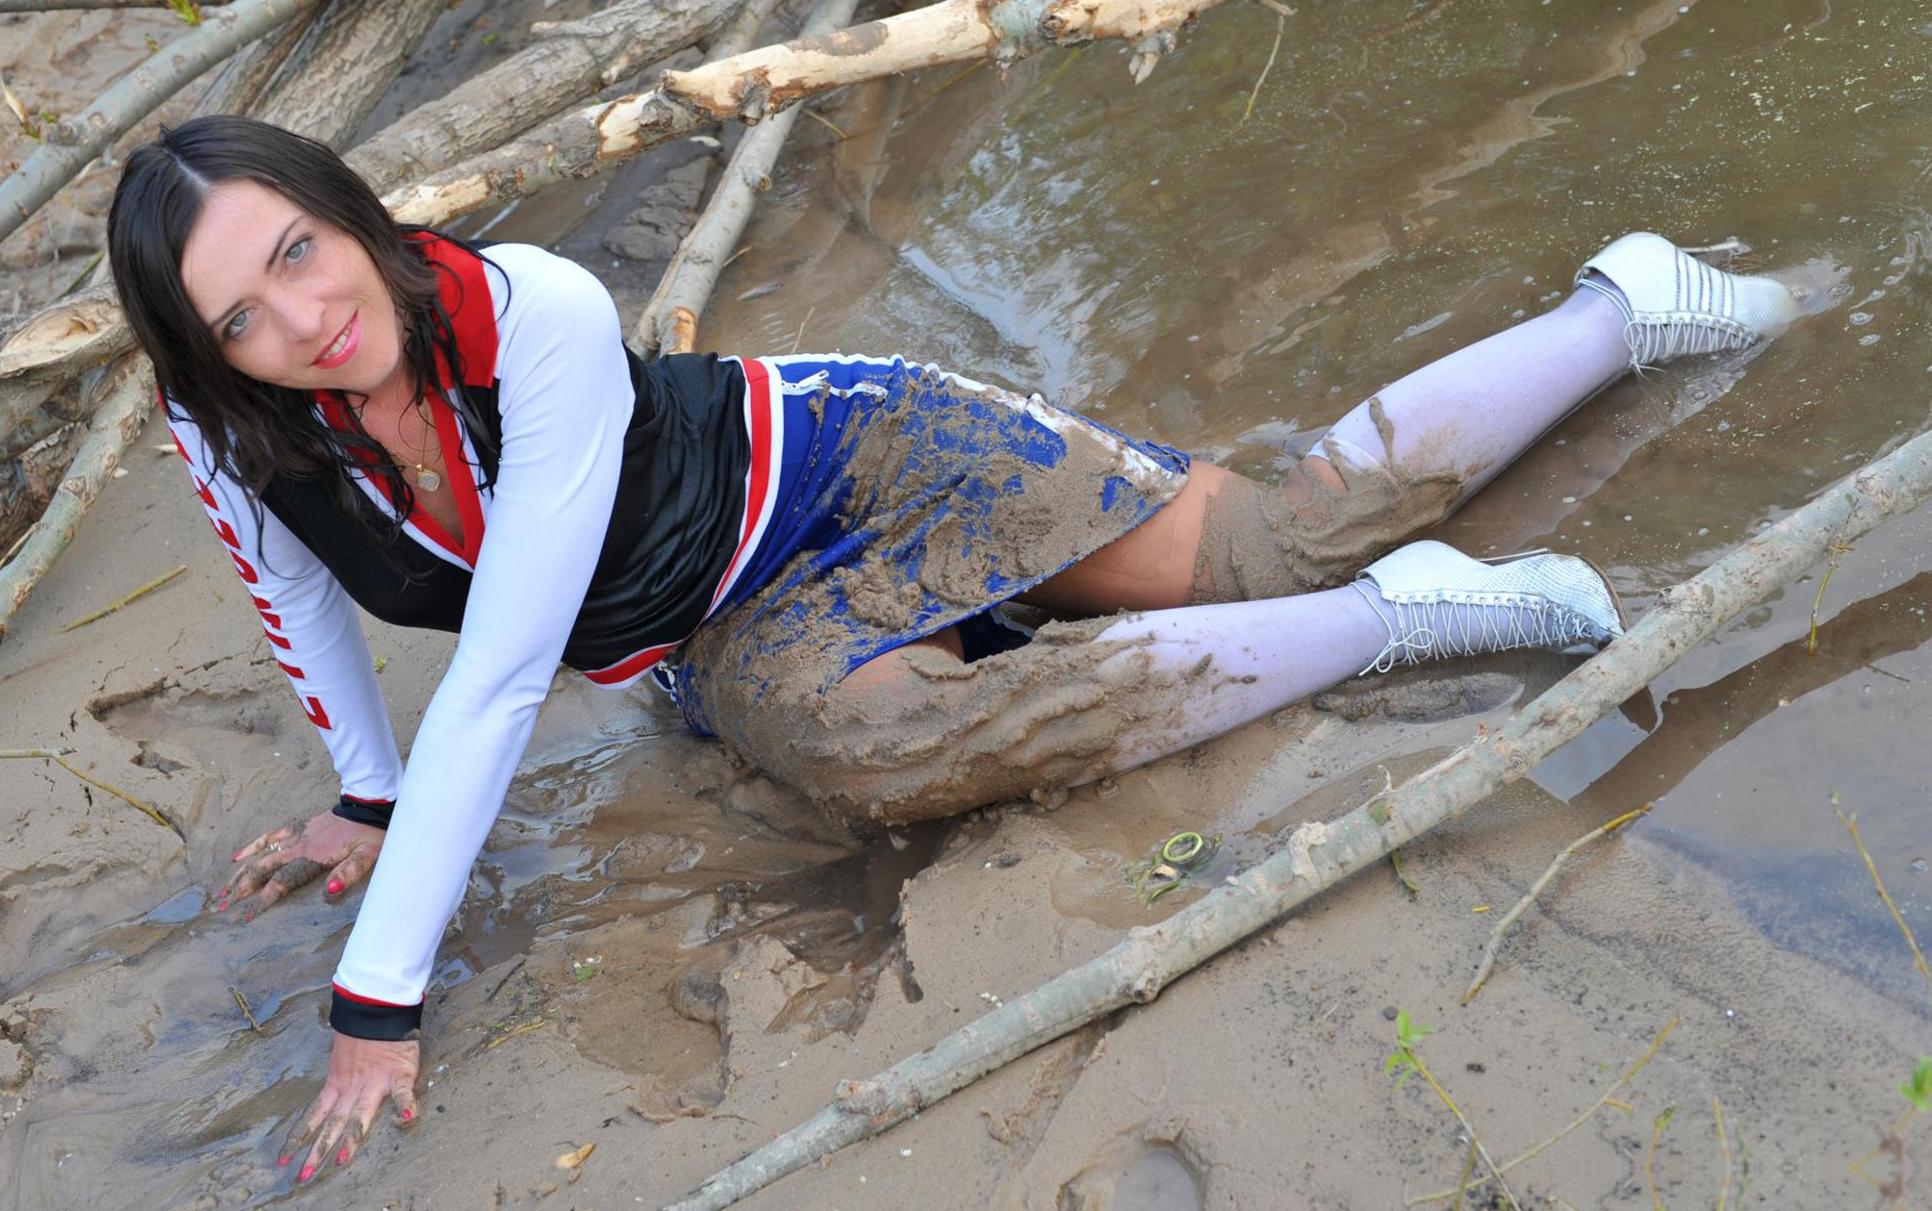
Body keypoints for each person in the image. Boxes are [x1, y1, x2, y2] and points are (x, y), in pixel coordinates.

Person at [105, 115, 1800, 1181]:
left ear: (350, 210)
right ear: (206, 349)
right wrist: (366, 801)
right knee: (880, 757)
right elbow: (304, 602)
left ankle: (1622, 306)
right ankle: (1400, 622)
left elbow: (494, 671)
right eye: (241, 315)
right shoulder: (236, 428)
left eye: (300, 252)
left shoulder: (529, 308)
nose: (303, 320)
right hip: (727, 635)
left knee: (1265, 542)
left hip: (862, 460)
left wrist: (376, 1000)